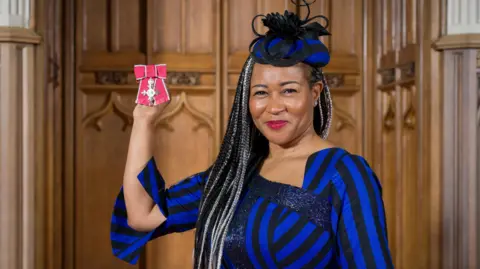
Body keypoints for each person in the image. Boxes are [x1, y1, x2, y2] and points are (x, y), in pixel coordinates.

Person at [110, 1, 394, 268]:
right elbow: (141, 216)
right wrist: (144, 120)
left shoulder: (345, 174)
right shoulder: (232, 175)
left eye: (289, 90)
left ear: (315, 93)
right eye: (260, 93)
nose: (274, 107)